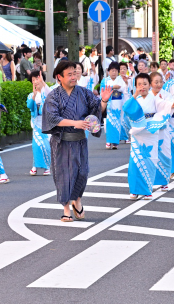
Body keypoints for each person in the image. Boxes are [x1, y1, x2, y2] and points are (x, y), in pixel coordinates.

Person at [41, 61, 112, 222]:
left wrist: (104, 101)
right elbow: (53, 118)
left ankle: (77, 200)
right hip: (62, 142)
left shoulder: (84, 93)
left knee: (82, 173)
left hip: (79, 141)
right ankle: (66, 209)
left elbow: (95, 113)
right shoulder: (53, 96)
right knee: (63, 174)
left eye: (75, 73)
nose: (74, 77)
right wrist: (75, 123)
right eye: (70, 74)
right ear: (59, 77)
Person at [123, 72, 174, 199]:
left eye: (145, 84)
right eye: (139, 84)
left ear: (149, 85)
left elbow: (164, 106)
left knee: (150, 160)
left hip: (151, 132)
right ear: (136, 86)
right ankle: (134, 190)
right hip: (138, 134)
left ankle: (147, 189)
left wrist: (172, 105)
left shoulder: (154, 98)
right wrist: (135, 94)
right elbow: (126, 108)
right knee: (136, 161)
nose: (142, 87)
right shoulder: (134, 99)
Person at [27, 69, 52, 176]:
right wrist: (33, 95)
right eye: (33, 80)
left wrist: (43, 85)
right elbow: (29, 106)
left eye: (37, 79)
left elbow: (51, 95)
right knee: (36, 145)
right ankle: (35, 166)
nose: (35, 81)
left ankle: (47, 167)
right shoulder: (31, 94)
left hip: (47, 122)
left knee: (46, 145)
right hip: (37, 122)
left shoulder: (47, 91)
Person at [100, 62, 128, 149]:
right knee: (109, 123)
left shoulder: (120, 79)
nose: (114, 72)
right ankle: (108, 141)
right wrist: (113, 86)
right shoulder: (105, 80)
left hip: (118, 103)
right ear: (108, 71)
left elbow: (124, 89)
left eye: (116, 71)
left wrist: (117, 87)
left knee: (117, 123)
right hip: (109, 103)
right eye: (112, 70)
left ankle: (115, 142)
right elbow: (102, 90)